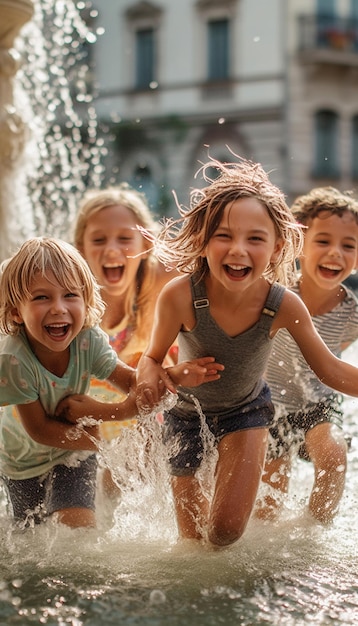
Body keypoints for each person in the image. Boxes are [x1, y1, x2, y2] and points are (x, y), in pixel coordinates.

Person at [136, 156, 358, 548]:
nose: (238, 249)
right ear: (203, 241)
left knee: (224, 534)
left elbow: (330, 369)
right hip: (187, 418)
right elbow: (151, 358)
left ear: (276, 248)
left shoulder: (283, 304)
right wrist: (155, 378)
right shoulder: (181, 296)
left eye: (255, 238)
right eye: (224, 236)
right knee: (192, 544)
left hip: (247, 414)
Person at [0, 237, 217, 529]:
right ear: (16, 312)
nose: (58, 308)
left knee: (79, 532)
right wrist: (105, 438)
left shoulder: (86, 342)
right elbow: (39, 429)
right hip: (22, 462)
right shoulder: (15, 360)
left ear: (86, 301)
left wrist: (173, 375)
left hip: (73, 454)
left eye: (70, 295)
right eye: (41, 297)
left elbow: (132, 382)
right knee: (30, 539)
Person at [257, 186, 358, 523]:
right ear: (299, 243)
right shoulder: (277, 293)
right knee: (269, 497)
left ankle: (316, 531)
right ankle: (271, 548)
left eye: (348, 246)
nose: (336, 253)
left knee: (333, 455)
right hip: (268, 404)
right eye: (323, 241)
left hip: (318, 401)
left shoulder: (352, 312)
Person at [73, 184, 178, 495]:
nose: (112, 249)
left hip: (145, 409)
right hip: (90, 409)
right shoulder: (68, 296)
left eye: (124, 238)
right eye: (99, 239)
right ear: (81, 247)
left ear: (145, 243)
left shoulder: (161, 280)